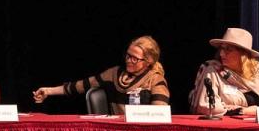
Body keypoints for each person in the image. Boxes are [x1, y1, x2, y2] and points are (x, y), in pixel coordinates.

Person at [32, 35, 170, 115]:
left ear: (148, 61)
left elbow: (160, 114)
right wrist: (49, 91)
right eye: (128, 55)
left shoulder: (156, 79)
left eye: (135, 58)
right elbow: (82, 85)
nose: (129, 60)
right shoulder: (113, 73)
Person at [190, 27, 259, 117]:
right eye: (221, 49)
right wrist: (241, 110)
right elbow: (208, 108)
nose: (221, 53)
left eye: (228, 50)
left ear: (243, 54)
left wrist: (251, 110)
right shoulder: (213, 71)